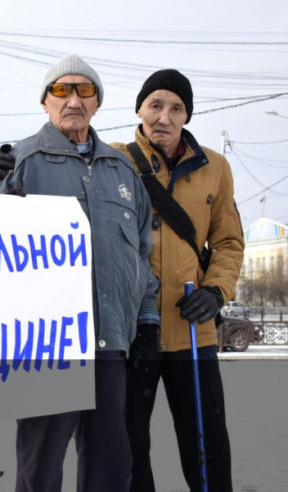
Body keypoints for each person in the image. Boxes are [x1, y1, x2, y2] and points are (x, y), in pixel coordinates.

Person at [0, 54, 159, 492]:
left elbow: (140, 253)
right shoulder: (18, 160)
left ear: (97, 102)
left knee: (110, 465)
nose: (73, 99)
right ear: (45, 102)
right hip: (48, 345)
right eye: (61, 90)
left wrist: (147, 319)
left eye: (84, 90)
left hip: (110, 340)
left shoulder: (122, 170)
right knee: (41, 466)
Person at [112, 69, 244, 492]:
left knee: (207, 447)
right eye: (156, 104)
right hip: (134, 332)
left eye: (176, 108)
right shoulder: (114, 159)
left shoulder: (215, 168)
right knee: (129, 449)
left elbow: (228, 240)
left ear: (187, 115)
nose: (164, 116)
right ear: (139, 109)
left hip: (194, 332)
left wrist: (217, 291)